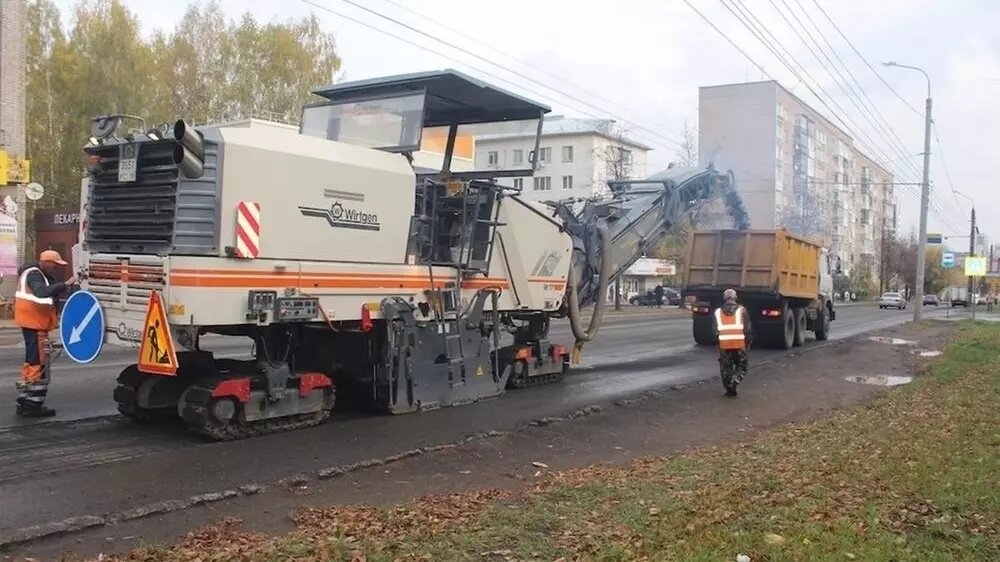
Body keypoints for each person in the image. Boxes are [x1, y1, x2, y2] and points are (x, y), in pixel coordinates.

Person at [13, 250, 77, 417]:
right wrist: (65, 284)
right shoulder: (35, 274)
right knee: (38, 363)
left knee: (32, 360)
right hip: (34, 324)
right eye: (54, 265)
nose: (55, 268)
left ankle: (25, 400)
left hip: (32, 323)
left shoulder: (33, 273)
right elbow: (41, 292)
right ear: (46, 262)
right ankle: (33, 405)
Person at [713, 288, 751, 397]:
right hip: (739, 344)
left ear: (724, 298)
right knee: (742, 365)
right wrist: (748, 341)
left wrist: (717, 343)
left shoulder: (717, 312)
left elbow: (715, 330)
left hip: (724, 345)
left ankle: (728, 389)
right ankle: (734, 382)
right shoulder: (742, 310)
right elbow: (747, 328)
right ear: (736, 298)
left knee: (725, 367)